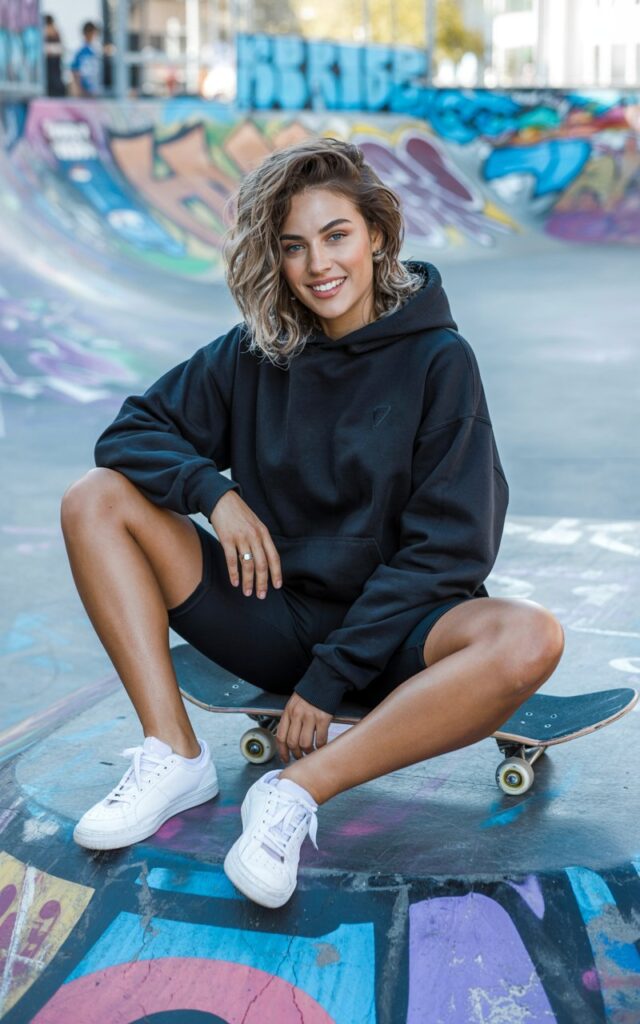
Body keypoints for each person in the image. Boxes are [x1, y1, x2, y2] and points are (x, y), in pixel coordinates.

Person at [61, 138, 564, 909]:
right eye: (294, 247)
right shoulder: (253, 355)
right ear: (277, 258)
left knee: (531, 636)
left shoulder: (438, 360)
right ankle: (173, 753)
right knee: (96, 497)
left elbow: (450, 550)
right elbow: (130, 434)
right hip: (273, 613)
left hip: (401, 634)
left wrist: (330, 682)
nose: (318, 264)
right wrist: (214, 494)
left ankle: (295, 793)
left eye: (337, 236)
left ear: (377, 237)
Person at [70, 21, 101, 97]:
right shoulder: (80, 51)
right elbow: (75, 71)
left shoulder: (96, 50)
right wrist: (79, 89)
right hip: (85, 91)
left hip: (96, 90)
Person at [43, 15, 66, 97]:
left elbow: (62, 50)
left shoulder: (56, 36)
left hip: (56, 82)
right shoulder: (41, 39)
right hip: (46, 84)